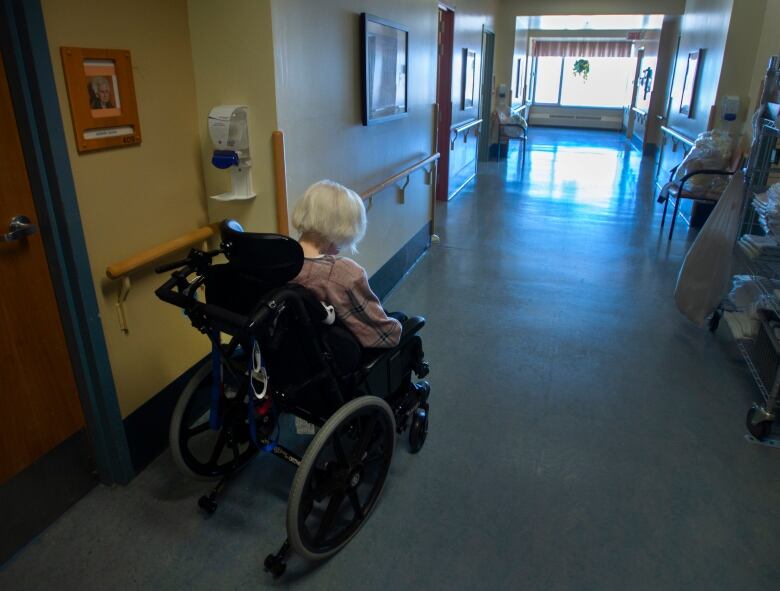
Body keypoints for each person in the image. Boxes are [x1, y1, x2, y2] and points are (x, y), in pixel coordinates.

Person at [290, 180, 402, 348]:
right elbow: (384, 335)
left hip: (298, 351)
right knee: (399, 319)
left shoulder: (281, 263)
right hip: (342, 356)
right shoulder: (344, 274)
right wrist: (399, 325)